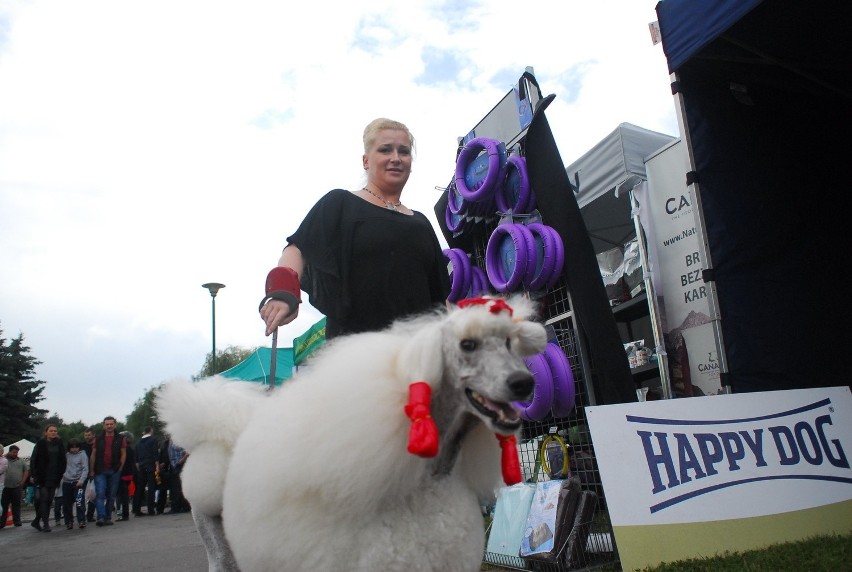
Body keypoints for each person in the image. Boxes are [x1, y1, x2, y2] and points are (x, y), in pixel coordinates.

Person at [259, 118, 450, 341]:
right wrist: (284, 294)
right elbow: (297, 249)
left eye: (404, 152)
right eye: (385, 150)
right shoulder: (340, 203)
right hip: (355, 352)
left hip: (418, 354)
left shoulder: (421, 223)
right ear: (366, 161)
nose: (396, 158)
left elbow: (439, 299)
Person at [88, 416, 126, 526]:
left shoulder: (120, 438)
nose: (109, 426)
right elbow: (93, 454)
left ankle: (108, 516)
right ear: (104, 425)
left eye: (111, 424)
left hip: (114, 470)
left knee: (111, 495)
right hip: (100, 470)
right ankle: (101, 516)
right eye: (107, 424)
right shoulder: (98, 438)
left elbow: (123, 453)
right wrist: (91, 470)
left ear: (115, 425)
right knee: (100, 494)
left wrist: (120, 467)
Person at [30, 424, 66, 532]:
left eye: (55, 431)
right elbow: (33, 460)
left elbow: (63, 459)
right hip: (42, 476)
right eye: (51, 431)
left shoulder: (59, 443)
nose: (53, 432)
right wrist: (34, 474)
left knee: (49, 500)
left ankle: (36, 521)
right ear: (46, 432)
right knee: (44, 499)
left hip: (55, 476)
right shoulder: (40, 443)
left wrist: (61, 472)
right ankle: (46, 524)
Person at [61, 439, 88, 530]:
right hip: (67, 482)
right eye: (72, 447)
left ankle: (81, 520)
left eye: (76, 447)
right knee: (67, 503)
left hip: (78, 482)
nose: (74, 449)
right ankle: (69, 521)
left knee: (79, 502)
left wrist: (81, 480)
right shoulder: (66, 456)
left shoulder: (82, 455)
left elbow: (85, 469)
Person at [0, 445, 29, 528]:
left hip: (16, 486)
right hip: (5, 486)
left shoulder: (20, 461)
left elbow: (26, 471)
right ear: (9, 451)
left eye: (16, 452)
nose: (15, 454)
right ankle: (2, 522)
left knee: (16, 505)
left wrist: (23, 481)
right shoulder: (3, 460)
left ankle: (17, 521)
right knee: (4, 505)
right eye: (14, 452)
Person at [134, 426, 159, 516]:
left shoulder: (138, 442)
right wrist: (157, 465)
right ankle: (151, 509)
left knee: (140, 488)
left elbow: (136, 456)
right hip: (150, 465)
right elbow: (155, 452)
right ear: (151, 431)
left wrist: (138, 465)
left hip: (141, 466)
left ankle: (137, 509)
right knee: (151, 487)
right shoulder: (153, 439)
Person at [116, 431, 136, 521]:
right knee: (125, 495)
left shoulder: (124, 449)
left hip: (122, 474)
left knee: (121, 495)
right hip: (129, 474)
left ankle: (123, 514)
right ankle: (125, 514)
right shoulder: (131, 449)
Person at [166, 440, 190, 514]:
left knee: (177, 488)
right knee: (179, 488)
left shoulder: (172, 443)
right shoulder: (174, 443)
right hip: (179, 466)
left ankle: (179, 507)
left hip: (177, 467)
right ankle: (183, 506)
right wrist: (185, 456)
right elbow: (177, 461)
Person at [81, 427, 97, 522]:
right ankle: (82, 514)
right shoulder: (82, 446)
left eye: (89, 435)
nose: (87, 437)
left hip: (96, 471)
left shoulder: (97, 445)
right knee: (82, 494)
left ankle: (90, 515)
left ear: (93, 435)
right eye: (86, 435)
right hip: (83, 473)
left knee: (93, 494)